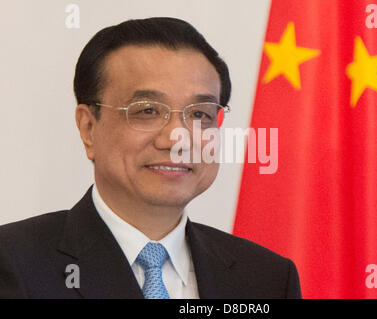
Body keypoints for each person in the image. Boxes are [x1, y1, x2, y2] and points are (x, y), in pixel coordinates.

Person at [0, 17, 301, 299]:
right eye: (147, 111)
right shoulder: (13, 262)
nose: (176, 138)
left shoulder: (267, 279)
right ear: (89, 127)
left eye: (199, 114)